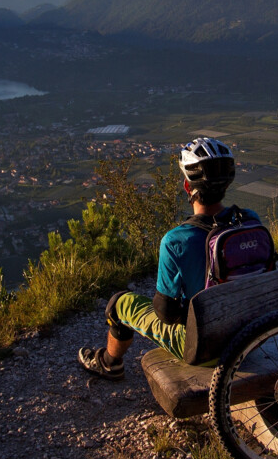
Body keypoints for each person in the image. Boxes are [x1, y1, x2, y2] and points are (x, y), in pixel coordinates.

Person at [78, 137, 254, 380]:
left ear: (187, 186)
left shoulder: (176, 240)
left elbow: (165, 312)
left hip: (205, 349)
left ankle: (109, 363)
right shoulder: (249, 221)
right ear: (226, 184)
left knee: (118, 304)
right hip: (251, 336)